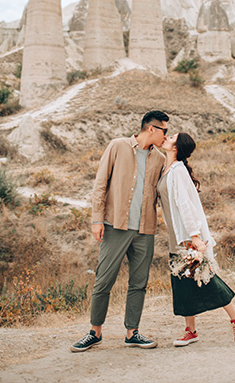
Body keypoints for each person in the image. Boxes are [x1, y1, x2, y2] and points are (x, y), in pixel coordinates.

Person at [71, 110, 169, 352]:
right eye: (164, 131)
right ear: (152, 129)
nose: (166, 136)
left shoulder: (160, 159)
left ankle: (132, 333)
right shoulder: (117, 146)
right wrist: (97, 220)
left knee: (139, 282)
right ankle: (94, 333)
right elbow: (100, 183)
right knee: (103, 280)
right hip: (115, 225)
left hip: (145, 229)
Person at [158, 132, 235, 347]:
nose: (166, 137)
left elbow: (186, 206)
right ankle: (191, 330)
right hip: (176, 236)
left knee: (206, 279)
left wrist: (195, 237)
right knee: (182, 281)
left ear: (176, 148)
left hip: (188, 237)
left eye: (171, 137)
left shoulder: (177, 171)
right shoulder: (167, 169)